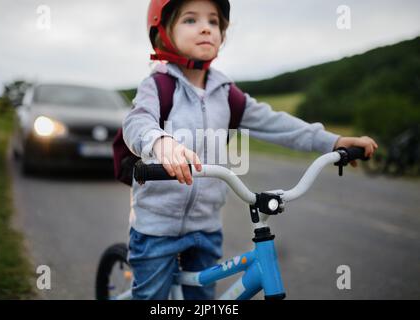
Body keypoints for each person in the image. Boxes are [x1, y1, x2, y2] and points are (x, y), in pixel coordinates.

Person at [122, 0, 378, 300]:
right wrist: (160, 142)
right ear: (163, 32)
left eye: (214, 21)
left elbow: (275, 123)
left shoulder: (228, 95)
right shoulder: (158, 85)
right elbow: (137, 121)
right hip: (157, 226)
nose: (206, 27)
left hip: (206, 227)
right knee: (151, 299)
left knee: (202, 301)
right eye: (190, 20)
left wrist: (332, 142)